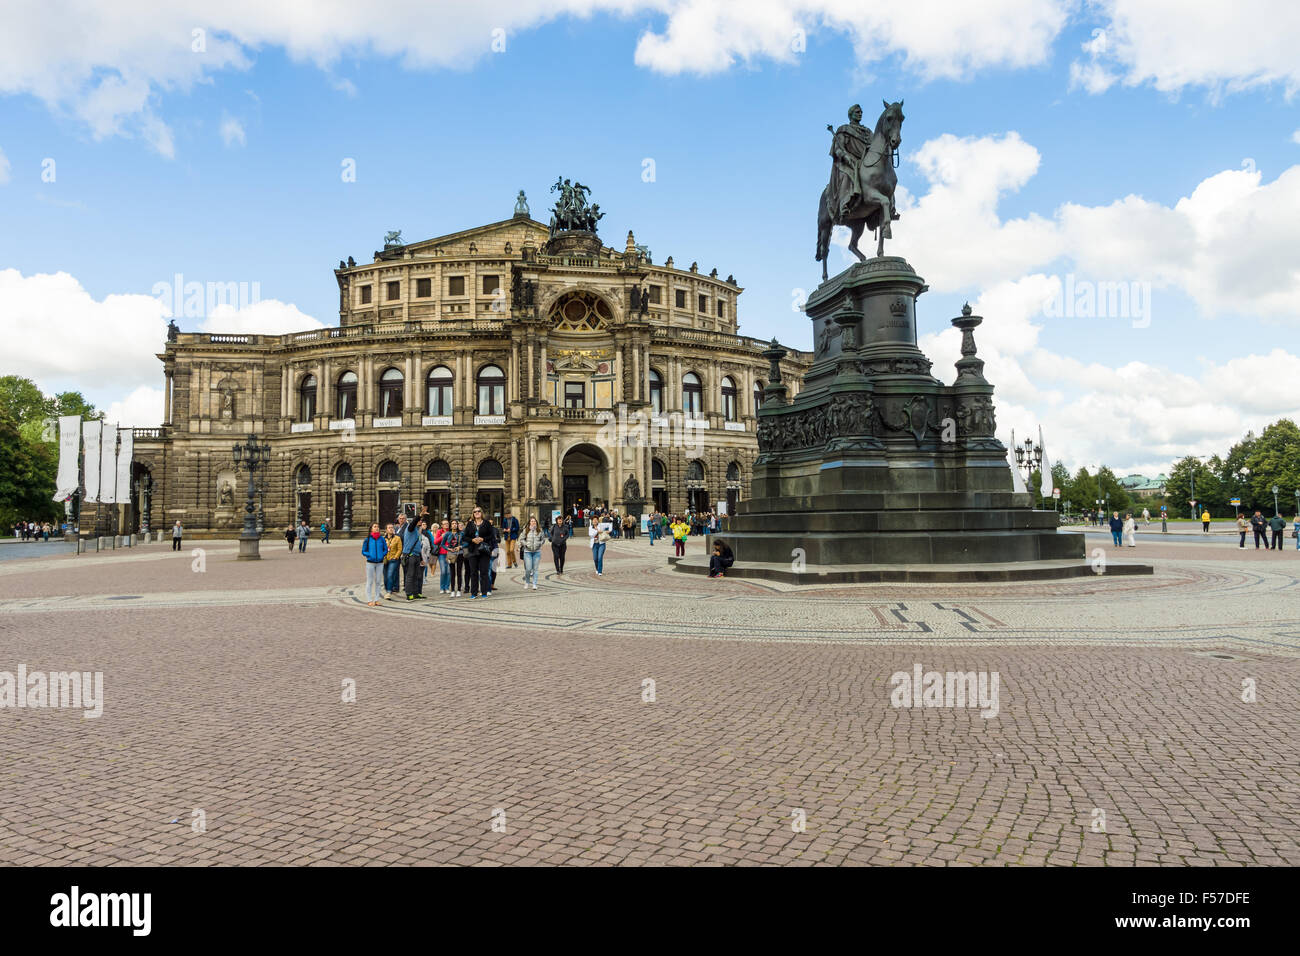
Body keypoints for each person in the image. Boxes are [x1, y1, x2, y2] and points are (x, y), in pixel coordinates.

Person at [463, 506, 496, 598]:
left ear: (481, 513)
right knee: (473, 572)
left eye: (478, 511)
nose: (477, 513)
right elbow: (464, 537)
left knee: (484, 572)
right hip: (473, 550)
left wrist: (483, 539)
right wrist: (472, 540)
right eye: (475, 512)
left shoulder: (486, 523)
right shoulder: (469, 524)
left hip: (484, 550)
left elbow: (492, 536)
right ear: (473, 514)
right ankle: (474, 593)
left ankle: (484, 592)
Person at [399, 514, 425, 600]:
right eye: (420, 520)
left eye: (421, 520)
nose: (421, 521)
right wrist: (419, 515)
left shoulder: (417, 531)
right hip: (410, 556)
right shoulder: (410, 528)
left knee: (416, 575)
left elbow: (417, 546)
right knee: (410, 575)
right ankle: (409, 594)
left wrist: (421, 558)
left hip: (416, 555)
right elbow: (413, 522)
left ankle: (416, 593)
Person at [361, 523, 386, 606]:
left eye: (378, 527)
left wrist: (382, 554)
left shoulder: (382, 539)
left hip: (380, 563)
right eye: (375, 527)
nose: (377, 528)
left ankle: (377, 599)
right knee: (370, 581)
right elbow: (363, 551)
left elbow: (385, 549)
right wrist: (369, 555)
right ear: (371, 529)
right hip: (370, 563)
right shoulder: (367, 539)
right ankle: (369, 599)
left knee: (378, 581)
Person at [519, 516, 545, 589]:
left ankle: (534, 584)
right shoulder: (526, 530)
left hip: (537, 552)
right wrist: (526, 544)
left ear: (536, 522)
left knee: (535, 569)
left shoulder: (540, 530)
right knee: (528, 569)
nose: (533, 522)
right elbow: (521, 539)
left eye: (534, 521)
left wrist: (540, 543)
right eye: (532, 521)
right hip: (527, 552)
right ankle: (527, 582)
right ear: (529, 523)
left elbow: (543, 539)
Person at [383, 522, 402, 598]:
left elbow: (400, 549)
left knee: (390, 575)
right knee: (385, 577)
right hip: (385, 559)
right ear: (386, 530)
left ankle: (389, 591)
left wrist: (396, 557)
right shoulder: (383, 539)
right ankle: (387, 588)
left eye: (392, 527)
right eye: (389, 528)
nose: (391, 529)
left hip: (393, 559)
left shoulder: (397, 538)